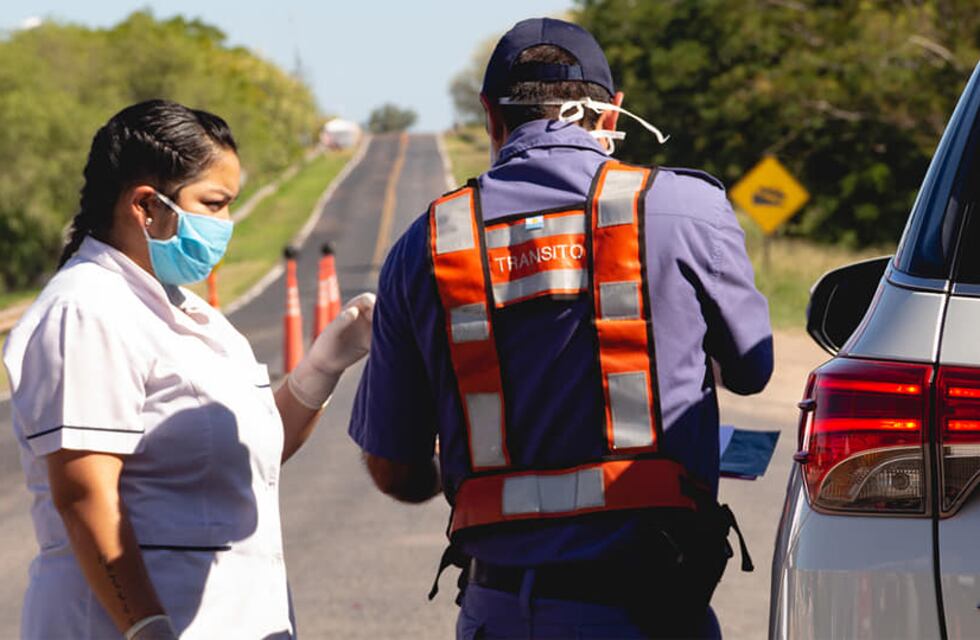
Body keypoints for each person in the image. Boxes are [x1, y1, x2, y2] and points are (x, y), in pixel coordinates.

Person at [349, 17, 773, 639]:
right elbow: (752, 369)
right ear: (612, 115)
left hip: (501, 612)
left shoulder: (427, 246)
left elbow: (393, 468)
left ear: (491, 117)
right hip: (653, 611)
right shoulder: (684, 208)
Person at [2, 99, 374, 639]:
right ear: (146, 206)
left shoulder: (191, 313)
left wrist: (324, 363)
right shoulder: (85, 310)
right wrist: (146, 627)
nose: (226, 224)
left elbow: (249, 452)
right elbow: (85, 494)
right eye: (215, 203)